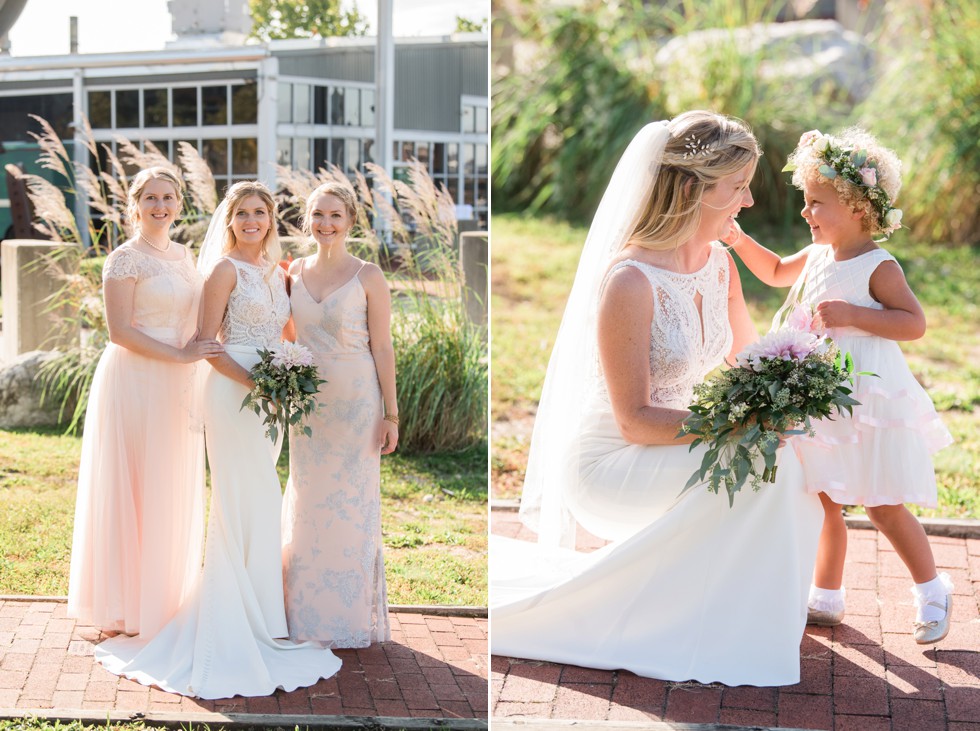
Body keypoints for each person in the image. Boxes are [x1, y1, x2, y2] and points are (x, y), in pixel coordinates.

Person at [491, 111, 823, 686]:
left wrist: (792, 384)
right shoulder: (630, 281)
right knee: (760, 459)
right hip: (611, 463)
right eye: (738, 188)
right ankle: (687, 619)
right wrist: (740, 425)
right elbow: (635, 421)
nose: (747, 203)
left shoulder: (720, 265)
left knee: (788, 460)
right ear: (694, 189)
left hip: (679, 441)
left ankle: (747, 612)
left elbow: (746, 362)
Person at [94, 181, 342, 698]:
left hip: (270, 399)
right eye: (242, 213)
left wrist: (293, 375)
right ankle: (235, 619)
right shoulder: (223, 270)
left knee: (259, 499)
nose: (251, 220)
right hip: (234, 395)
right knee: (242, 498)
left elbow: (286, 333)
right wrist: (263, 384)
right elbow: (207, 345)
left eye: (260, 212)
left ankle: (262, 613)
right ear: (228, 220)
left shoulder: (279, 273)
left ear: (272, 219)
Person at [725, 127, 954, 643]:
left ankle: (933, 589)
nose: (806, 213)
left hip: (868, 393)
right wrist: (737, 240)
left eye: (816, 203)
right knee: (825, 495)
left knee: (882, 503)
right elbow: (778, 271)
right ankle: (825, 594)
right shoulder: (818, 255)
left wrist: (855, 315)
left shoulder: (878, 266)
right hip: (824, 394)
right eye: (806, 202)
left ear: (857, 208)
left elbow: (913, 324)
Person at [68, 167, 221, 639]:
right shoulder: (123, 258)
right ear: (135, 205)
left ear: (179, 204)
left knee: (168, 482)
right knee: (132, 483)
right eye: (151, 197)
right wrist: (179, 354)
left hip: (178, 383)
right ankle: (123, 605)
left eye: (169, 197)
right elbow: (120, 331)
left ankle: (164, 596)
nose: (160, 205)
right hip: (135, 378)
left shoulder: (183, 254)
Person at [281, 181, 397, 646]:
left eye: (335, 216)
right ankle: (302, 613)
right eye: (318, 215)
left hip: (356, 402)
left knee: (351, 505)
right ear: (306, 220)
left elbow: (383, 346)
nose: (325, 224)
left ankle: (346, 617)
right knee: (308, 501)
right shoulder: (292, 272)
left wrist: (392, 413)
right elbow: (287, 336)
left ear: (350, 221)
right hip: (308, 405)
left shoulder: (368, 275)